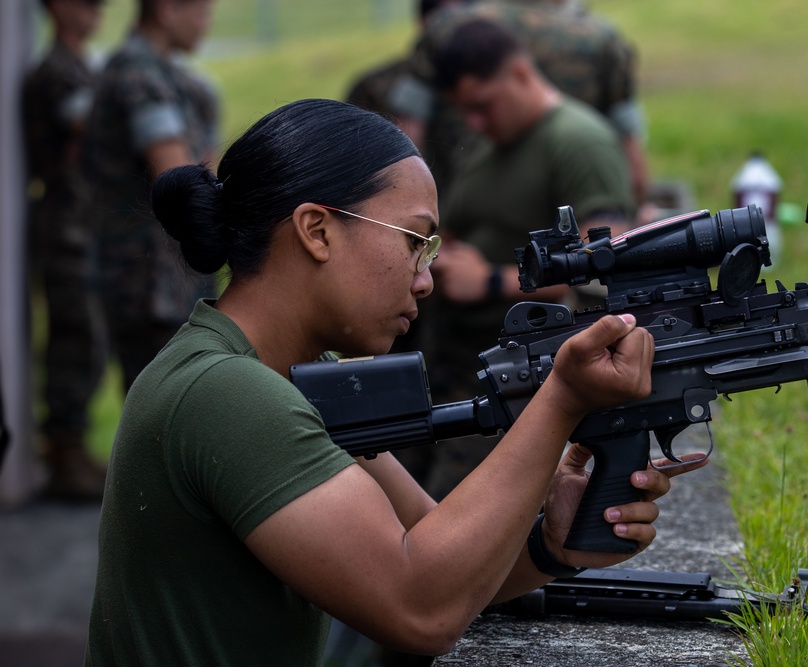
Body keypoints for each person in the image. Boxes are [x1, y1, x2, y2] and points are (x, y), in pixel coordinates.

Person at [84, 98, 707, 664]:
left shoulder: (283, 378)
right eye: (415, 241)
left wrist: (549, 543)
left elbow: (433, 549)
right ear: (317, 230)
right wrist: (562, 401)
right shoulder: (225, 393)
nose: (425, 279)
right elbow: (417, 608)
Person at [411, 17, 637, 499]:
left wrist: (490, 281)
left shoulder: (579, 142)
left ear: (519, 74)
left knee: (449, 515)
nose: (474, 122)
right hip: (448, 360)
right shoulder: (492, 142)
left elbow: (607, 272)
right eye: (464, 112)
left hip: (514, 374)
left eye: (482, 106)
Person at [81, 0, 219, 393]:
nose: (206, 24)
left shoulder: (167, 75)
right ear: (165, 9)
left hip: (167, 280)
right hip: (149, 285)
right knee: (166, 414)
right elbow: (181, 179)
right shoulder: (137, 75)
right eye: (202, 11)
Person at [388, 0, 649, 203]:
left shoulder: (448, 29)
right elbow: (630, 151)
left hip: (459, 208)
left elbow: (409, 132)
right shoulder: (601, 38)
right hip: (570, 214)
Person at [21, 0, 107, 500]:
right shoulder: (57, 72)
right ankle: (64, 453)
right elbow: (89, 134)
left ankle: (70, 449)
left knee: (88, 337)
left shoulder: (78, 67)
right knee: (76, 336)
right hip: (65, 225)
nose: (97, 10)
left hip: (81, 223)